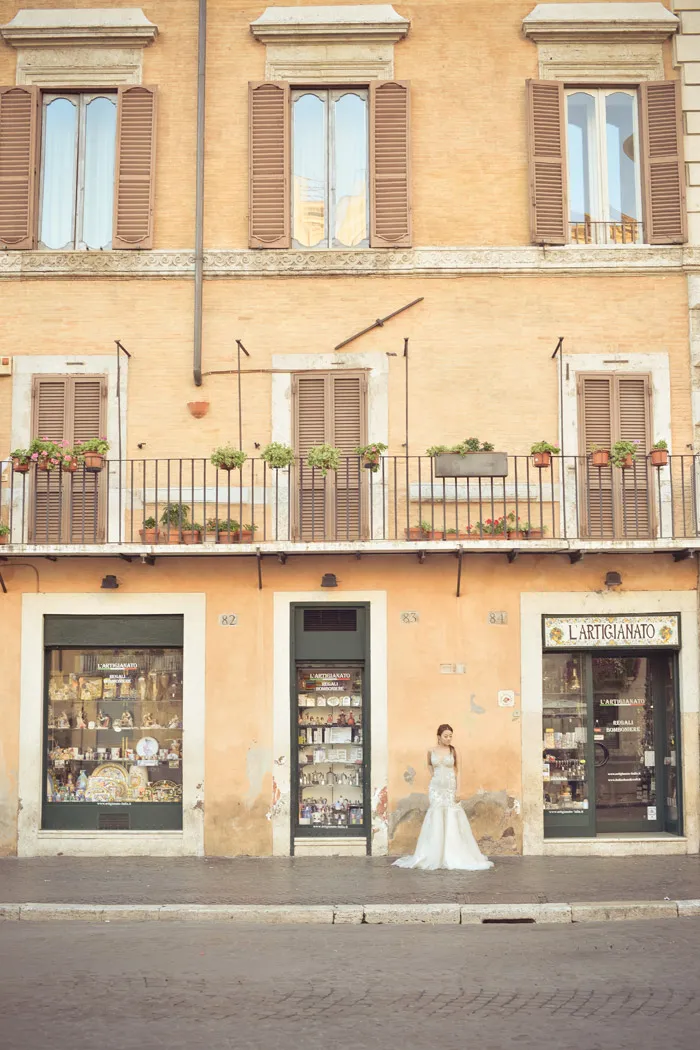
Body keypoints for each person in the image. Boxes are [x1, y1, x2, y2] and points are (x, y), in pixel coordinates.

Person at [393, 723, 493, 871]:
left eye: (450, 736)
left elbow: (458, 770)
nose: (448, 739)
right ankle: (434, 854)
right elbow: (428, 765)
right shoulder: (431, 751)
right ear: (439, 737)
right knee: (437, 816)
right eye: (446, 736)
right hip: (436, 789)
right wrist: (434, 776)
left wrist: (458, 790)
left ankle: (452, 853)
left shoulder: (454, 751)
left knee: (452, 817)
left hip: (450, 787)